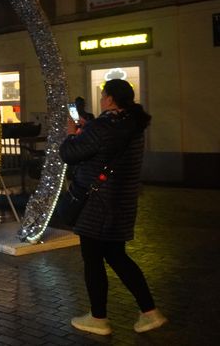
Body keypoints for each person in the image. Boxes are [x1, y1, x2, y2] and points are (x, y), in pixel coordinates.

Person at [60, 79, 167, 335]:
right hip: (122, 203)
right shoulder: (134, 124)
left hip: (96, 206)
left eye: (104, 95)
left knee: (93, 261)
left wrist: (71, 133)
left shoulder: (103, 126)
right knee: (118, 256)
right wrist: (89, 130)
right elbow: (103, 146)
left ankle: (98, 318)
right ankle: (149, 312)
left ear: (109, 99)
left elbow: (69, 154)